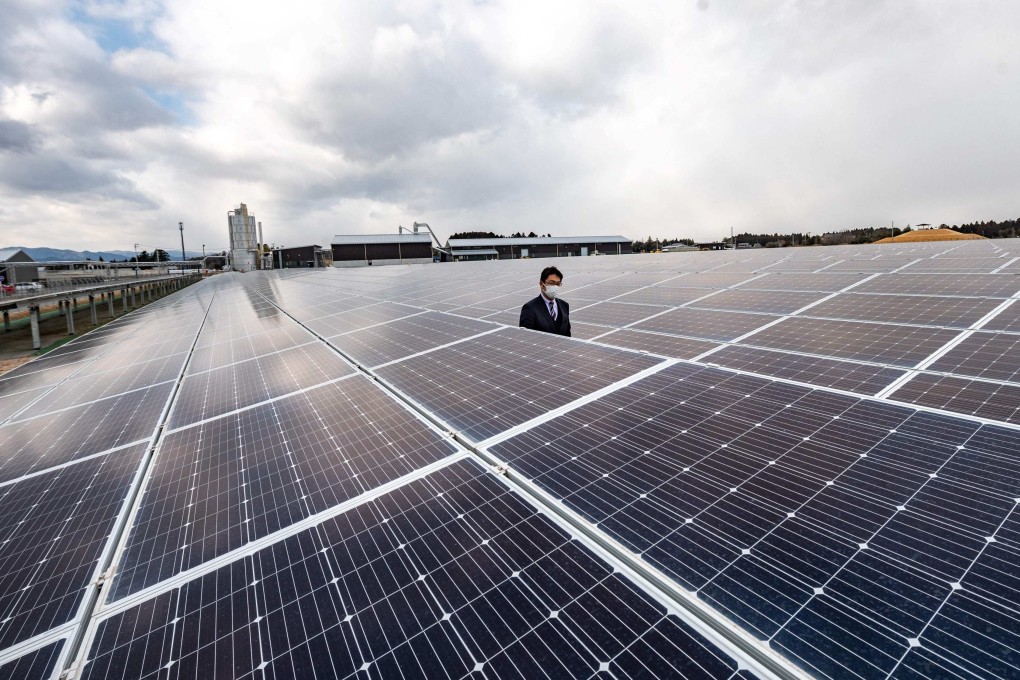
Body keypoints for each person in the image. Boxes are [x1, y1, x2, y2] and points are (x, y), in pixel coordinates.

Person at [519, 266, 571, 337]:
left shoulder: (564, 305)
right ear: (541, 284)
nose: (555, 287)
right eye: (551, 283)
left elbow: (567, 334)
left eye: (558, 284)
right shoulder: (529, 308)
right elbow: (526, 338)